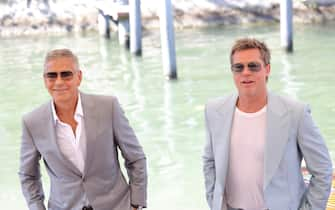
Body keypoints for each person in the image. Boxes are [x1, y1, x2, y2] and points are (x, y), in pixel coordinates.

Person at [202, 38, 333, 210]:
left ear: (267, 69)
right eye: (238, 67)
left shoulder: (296, 113)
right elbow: (209, 162)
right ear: (232, 72)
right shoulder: (214, 111)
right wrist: (215, 202)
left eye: (253, 66)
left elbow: (322, 170)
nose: (246, 72)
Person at [19, 49, 147, 210]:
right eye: (52, 75)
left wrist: (136, 203)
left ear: (79, 77)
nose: (59, 81)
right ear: (45, 80)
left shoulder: (108, 107)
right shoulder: (32, 122)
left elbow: (136, 158)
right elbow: (28, 176)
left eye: (66, 74)